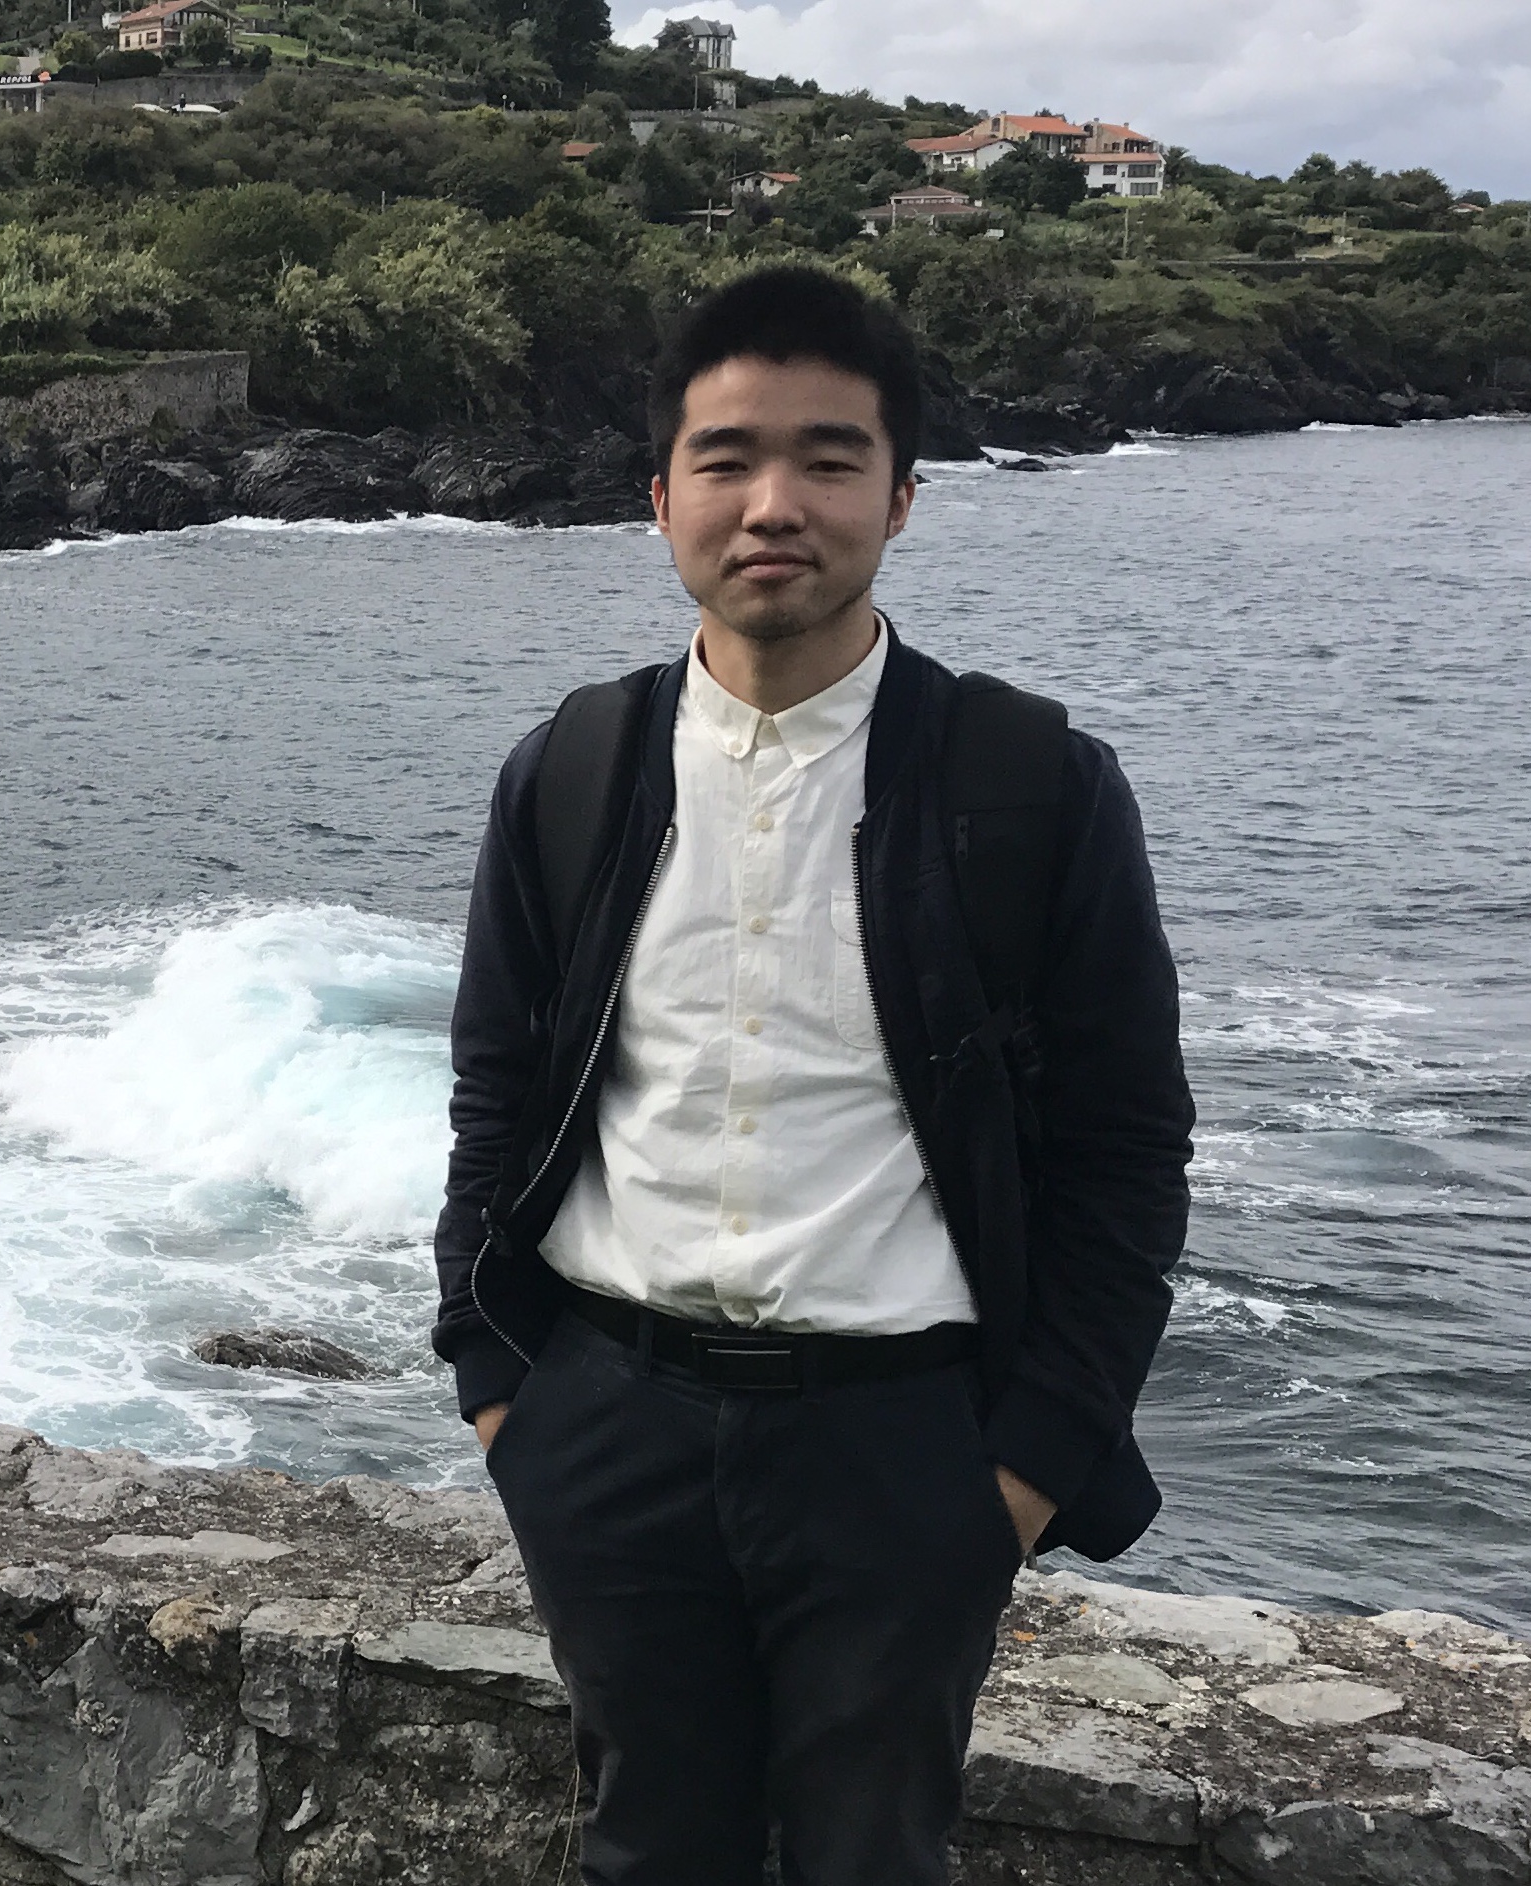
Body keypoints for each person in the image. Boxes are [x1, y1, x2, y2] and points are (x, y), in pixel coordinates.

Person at [431, 265, 1194, 1886]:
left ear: (900, 496)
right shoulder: (572, 769)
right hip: (607, 1424)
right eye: (725, 458)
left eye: (829, 459)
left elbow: (1127, 1151)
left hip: (902, 1443)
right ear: (659, 497)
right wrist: (502, 1393)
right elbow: (496, 1088)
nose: (773, 503)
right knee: (645, 1850)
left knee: (871, 1857)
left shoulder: (1030, 783)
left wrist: (1020, 1471)